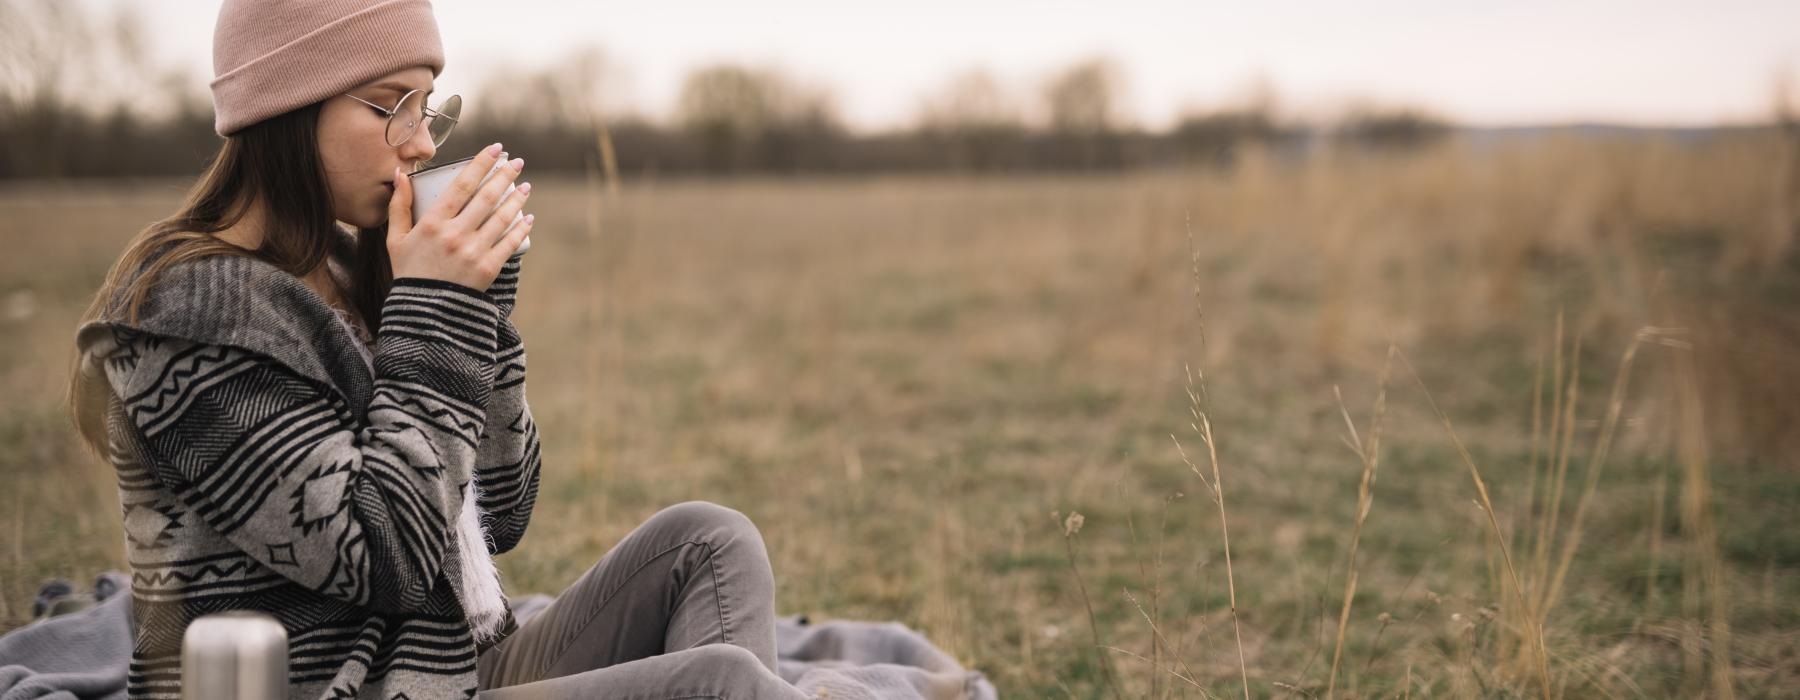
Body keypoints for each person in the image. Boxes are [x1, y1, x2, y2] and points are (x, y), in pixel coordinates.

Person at [67, 1, 803, 697]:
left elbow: (503, 514)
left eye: (429, 108)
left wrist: (477, 311)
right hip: (350, 684)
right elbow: (382, 558)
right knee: (722, 684)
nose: (419, 143)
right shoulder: (184, 313)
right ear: (285, 105)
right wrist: (437, 312)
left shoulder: (352, 270)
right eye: (391, 107)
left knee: (708, 541)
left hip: (447, 665)